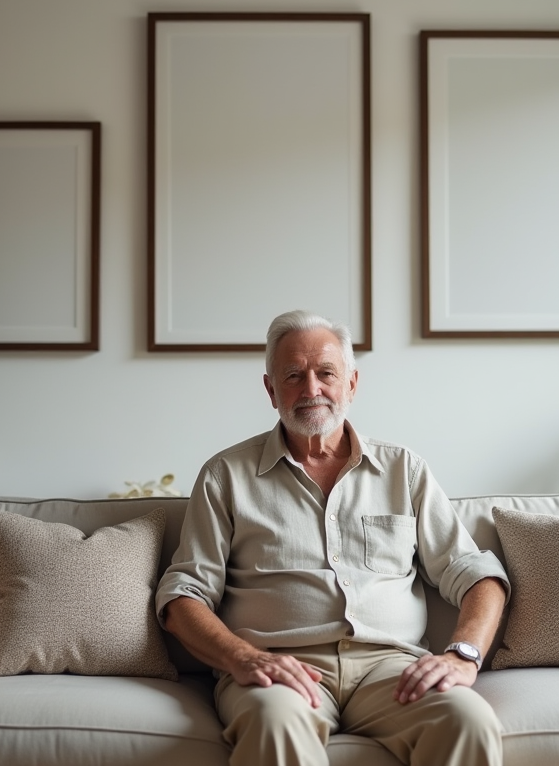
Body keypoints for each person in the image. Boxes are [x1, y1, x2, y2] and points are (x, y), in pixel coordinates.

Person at [156, 310, 510, 766]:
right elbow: (183, 594)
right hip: (280, 669)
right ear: (270, 390)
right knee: (273, 724)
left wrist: (463, 655)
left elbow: (477, 574)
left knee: (469, 720)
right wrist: (244, 658)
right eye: (293, 376)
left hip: (392, 669)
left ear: (352, 383)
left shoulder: (404, 470)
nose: (311, 390)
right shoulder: (225, 476)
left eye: (326, 373)